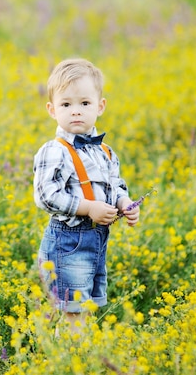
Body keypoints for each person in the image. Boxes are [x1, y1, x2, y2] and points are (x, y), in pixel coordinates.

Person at [33, 58, 140, 333]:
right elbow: (45, 195)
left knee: (84, 308)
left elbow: (115, 185)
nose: (76, 112)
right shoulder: (54, 150)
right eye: (66, 105)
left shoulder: (105, 151)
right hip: (67, 243)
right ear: (52, 110)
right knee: (73, 313)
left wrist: (124, 202)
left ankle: (71, 355)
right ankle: (69, 360)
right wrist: (88, 207)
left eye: (85, 103)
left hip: (96, 241)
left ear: (100, 106)